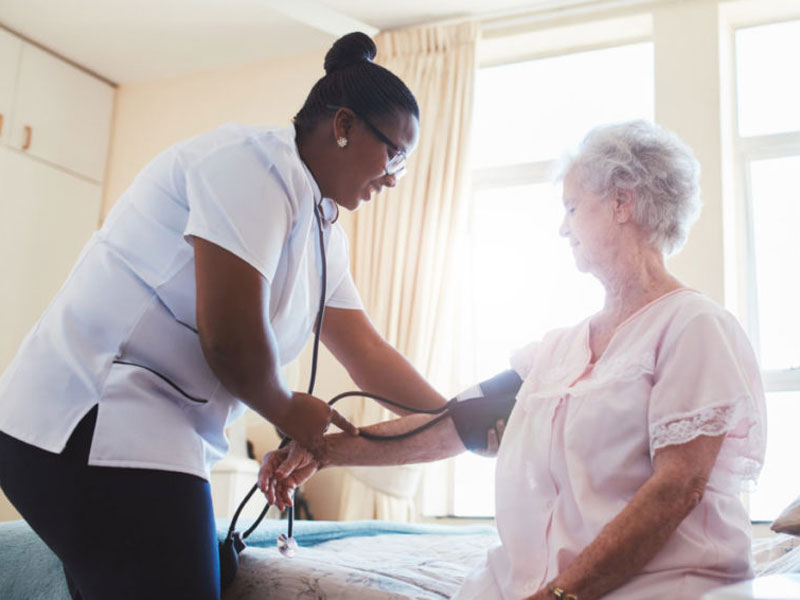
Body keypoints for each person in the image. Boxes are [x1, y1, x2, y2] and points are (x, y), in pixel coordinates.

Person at [0, 32, 450, 600]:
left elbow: (367, 353)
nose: (393, 178)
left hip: (152, 432)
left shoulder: (321, 228)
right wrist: (287, 409)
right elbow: (229, 338)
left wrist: (455, 418)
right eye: (395, 154)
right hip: (88, 420)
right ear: (343, 126)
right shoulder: (251, 166)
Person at [260, 120, 767, 600]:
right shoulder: (556, 350)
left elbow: (677, 489)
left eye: (571, 207)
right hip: (536, 585)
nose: (562, 229)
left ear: (621, 202)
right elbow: (450, 425)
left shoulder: (694, 326)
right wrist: (321, 452)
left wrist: (562, 594)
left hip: (657, 587)